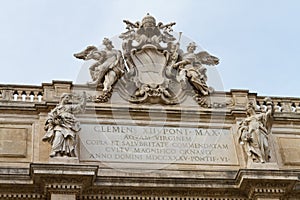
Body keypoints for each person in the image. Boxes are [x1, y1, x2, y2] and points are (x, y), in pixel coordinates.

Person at [42, 92, 86, 157]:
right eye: (67, 97)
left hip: (69, 125)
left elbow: (80, 106)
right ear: (62, 98)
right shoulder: (56, 109)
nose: (68, 99)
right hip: (59, 125)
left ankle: (66, 153)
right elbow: (50, 118)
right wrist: (54, 121)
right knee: (58, 135)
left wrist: (84, 98)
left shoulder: (70, 107)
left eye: (68, 98)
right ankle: (57, 152)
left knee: (68, 138)